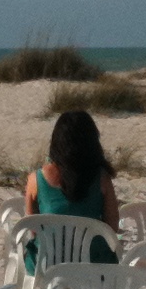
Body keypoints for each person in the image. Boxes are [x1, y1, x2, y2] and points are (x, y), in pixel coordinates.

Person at [22, 109, 121, 273]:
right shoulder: (102, 179)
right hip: (93, 266)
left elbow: (33, 228)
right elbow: (112, 227)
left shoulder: (36, 180)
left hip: (47, 265)